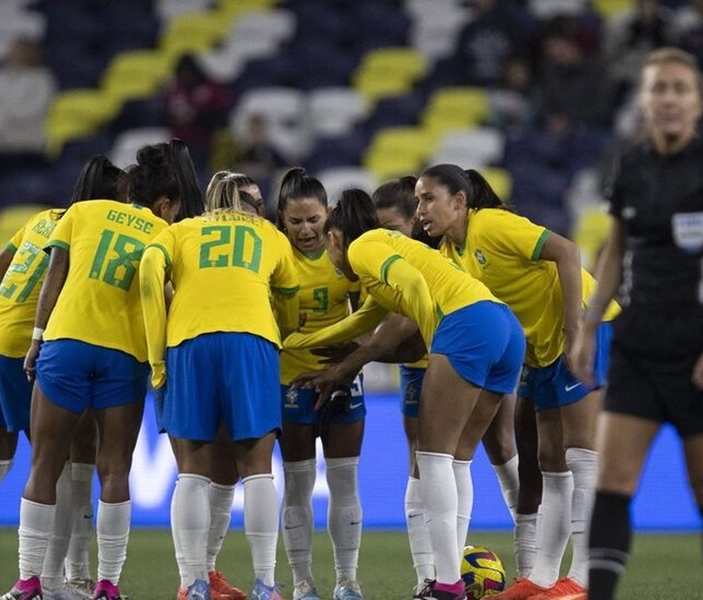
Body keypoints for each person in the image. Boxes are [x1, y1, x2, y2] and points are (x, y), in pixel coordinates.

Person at [285, 189, 525, 600]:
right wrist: (291, 343)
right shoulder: (380, 265)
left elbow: (413, 283)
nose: (328, 256)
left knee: (430, 458)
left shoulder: (365, 247)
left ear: (335, 239)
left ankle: (446, 584)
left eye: (327, 244)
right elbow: (361, 324)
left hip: (464, 325)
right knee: (457, 458)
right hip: (503, 326)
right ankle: (454, 578)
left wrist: (437, 339)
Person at [415, 164, 618, 600]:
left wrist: (573, 330)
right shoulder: (451, 255)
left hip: (579, 328)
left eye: (428, 198)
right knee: (548, 460)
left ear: (459, 201)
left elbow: (566, 251)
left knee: (581, 452)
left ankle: (583, 579)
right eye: (417, 201)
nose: (420, 210)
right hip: (541, 349)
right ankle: (544, 577)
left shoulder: (491, 226)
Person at [1, 143, 183, 600]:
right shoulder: (164, 233)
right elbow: (163, 298)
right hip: (124, 354)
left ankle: (29, 582)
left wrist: (37, 339)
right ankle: (107, 584)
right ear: (163, 200)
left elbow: (54, 277)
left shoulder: (80, 212)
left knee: (44, 464)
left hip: (67, 343)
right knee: (115, 469)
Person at [572, 47, 703, 600]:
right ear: (646, 100)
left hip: (695, 347)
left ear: (696, 102)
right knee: (612, 484)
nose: (668, 99)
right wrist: (587, 325)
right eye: (659, 89)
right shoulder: (631, 164)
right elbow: (614, 249)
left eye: (679, 89)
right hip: (638, 344)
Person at [139, 171, 299, 600]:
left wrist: (158, 352)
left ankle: (193, 584)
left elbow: (150, 267)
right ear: (249, 205)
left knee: (191, 471)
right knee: (257, 469)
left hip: (189, 340)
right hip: (252, 339)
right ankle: (266, 583)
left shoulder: (184, 231)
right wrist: (278, 333)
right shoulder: (269, 234)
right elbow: (290, 295)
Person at [0, 155, 128, 600]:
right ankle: (66, 579)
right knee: (68, 463)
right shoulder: (98, 232)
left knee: (11, 458)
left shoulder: (40, 220)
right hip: (30, 347)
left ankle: (61, 577)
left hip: (0, 335)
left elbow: (4, 265)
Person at [274, 168, 365, 600]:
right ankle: (303, 582)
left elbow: (373, 315)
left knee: (345, 482)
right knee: (297, 484)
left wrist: (354, 353)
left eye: (314, 219)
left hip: (345, 378)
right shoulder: (275, 256)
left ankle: (347, 580)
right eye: (296, 221)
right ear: (281, 219)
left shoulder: (347, 253)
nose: (306, 230)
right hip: (292, 379)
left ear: (328, 214)